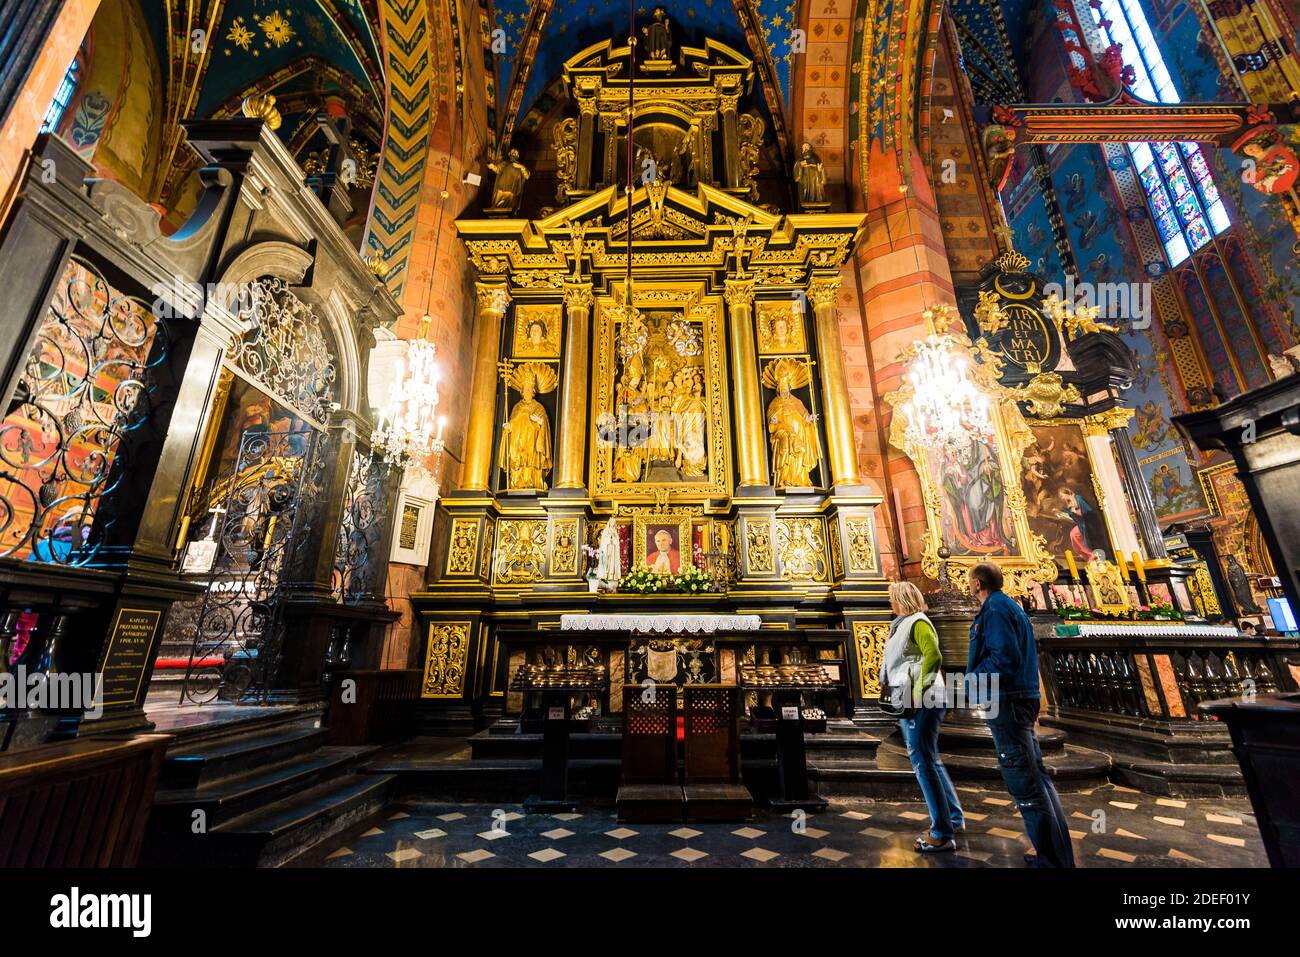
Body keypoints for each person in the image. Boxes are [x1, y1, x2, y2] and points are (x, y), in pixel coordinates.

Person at [966, 561, 1076, 867]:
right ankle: (1056, 854)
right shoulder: (1008, 606)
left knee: (1025, 781)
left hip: (1007, 700)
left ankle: (1052, 860)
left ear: (978, 584)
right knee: (1036, 777)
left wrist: (971, 681)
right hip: (1015, 698)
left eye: (970, 581)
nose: (968, 585)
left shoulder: (997, 610)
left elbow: (1004, 658)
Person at [880, 581, 965, 853]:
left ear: (903, 599)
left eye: (892, 599)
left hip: (923, 701)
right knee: (929, 759)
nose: (889, 603)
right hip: (914, 699)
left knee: (922, 762)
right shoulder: (904, 623)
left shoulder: (918, 622)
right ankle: (952, 817)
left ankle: (941, 832)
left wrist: (918, 693)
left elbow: (934, 656)